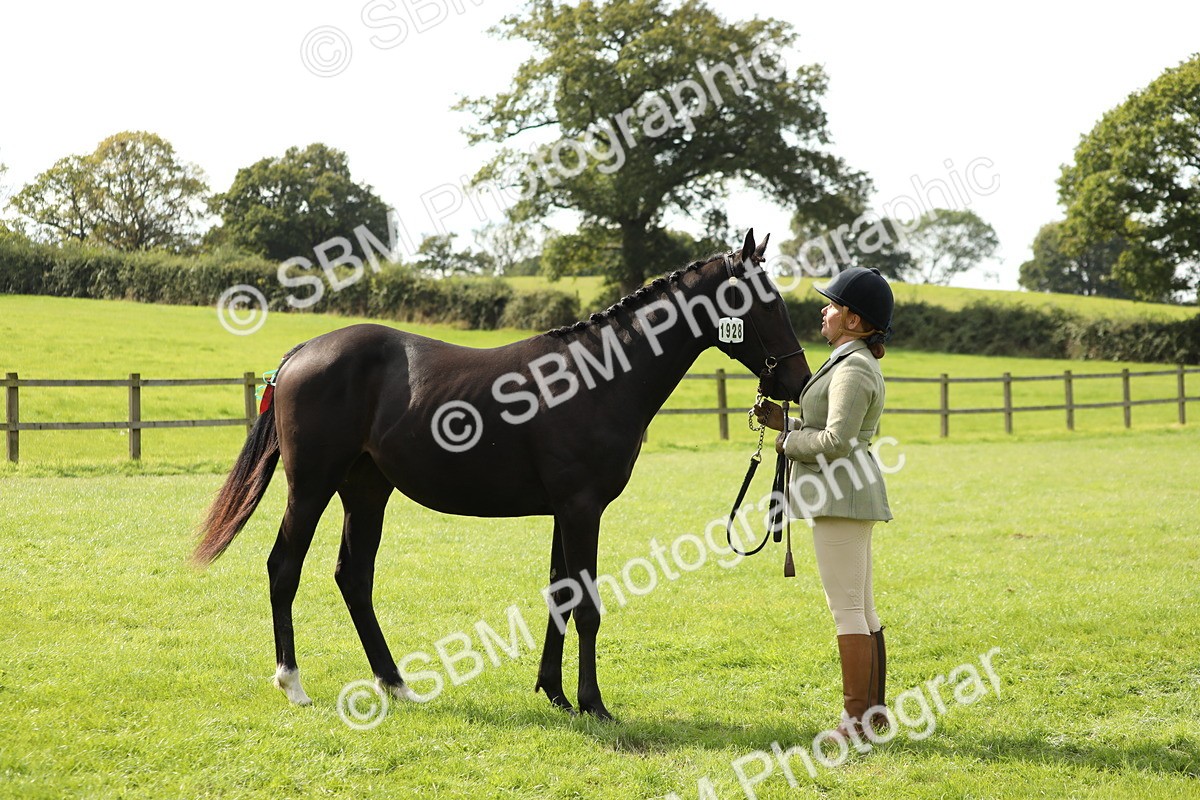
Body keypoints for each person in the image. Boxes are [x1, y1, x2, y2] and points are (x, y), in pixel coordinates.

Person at [754, 266, 894, 740]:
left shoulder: (852, 367)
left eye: (833, 305)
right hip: (846, 494)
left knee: (848, 610)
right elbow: (833, 430)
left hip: (840, 497)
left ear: (854, 320)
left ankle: (855, 723)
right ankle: (873, 716)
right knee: (863, 609)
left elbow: (836, 441)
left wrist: (786, 443)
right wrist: (785, 425)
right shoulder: (848, 360)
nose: (824, 310)